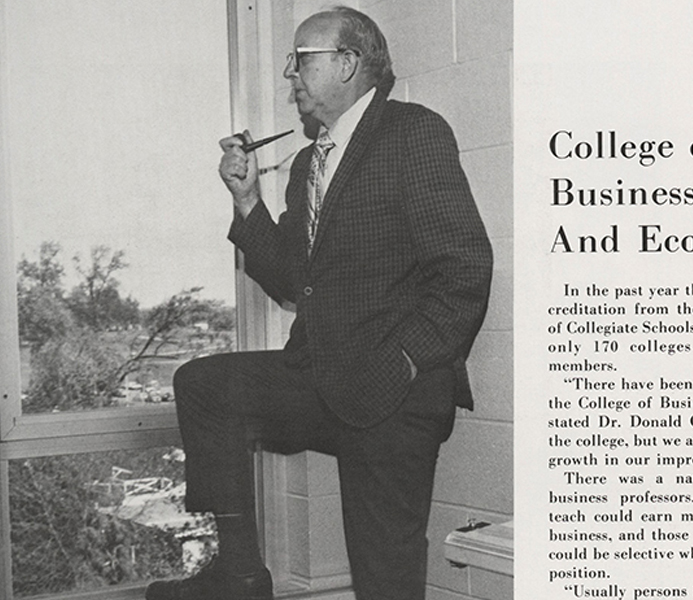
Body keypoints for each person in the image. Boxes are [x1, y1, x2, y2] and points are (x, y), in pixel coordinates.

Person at [145, 6, 492, 600]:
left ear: (349, 63)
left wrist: (406, 360)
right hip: (319, 376)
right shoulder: (309, 160)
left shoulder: (412, 132)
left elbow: (465, 270)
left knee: (385, 581)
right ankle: (241, 573)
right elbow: (289, 278)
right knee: (205, 385)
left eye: (302, 60)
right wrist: (248, 200)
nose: (290, 75)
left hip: (395, 393)